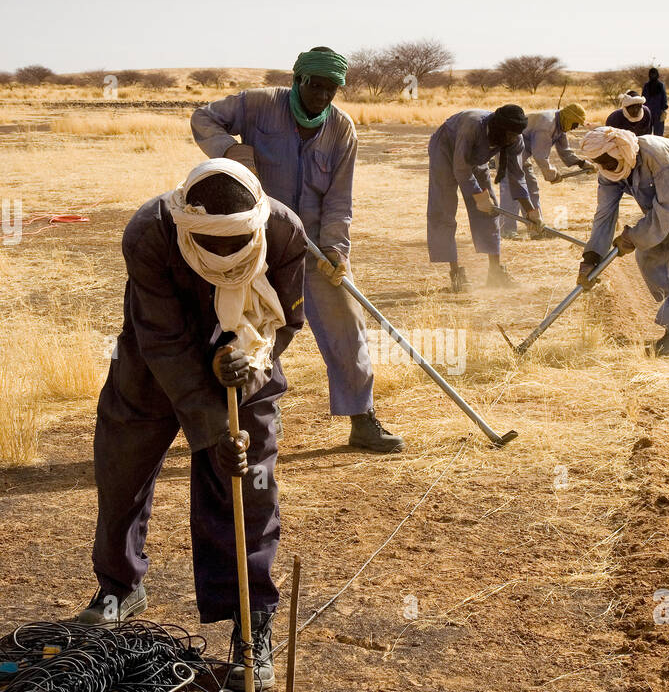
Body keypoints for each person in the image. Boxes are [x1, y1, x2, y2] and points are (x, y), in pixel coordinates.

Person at [76, 161, 307, 692]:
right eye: (209, 244)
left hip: (249, 359)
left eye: (235, 246)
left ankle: (251, 628)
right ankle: (119, 586)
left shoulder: (285, 232)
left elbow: (286, 323)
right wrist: (211, 431)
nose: (223, 257)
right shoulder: (148, 232)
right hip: (152, 366)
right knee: (120, 473)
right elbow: (161, 340)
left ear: (257, 223)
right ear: (184, 223)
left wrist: (247, 372)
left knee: (248, 491)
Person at [191, 47, 402, 453]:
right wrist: (228, 150)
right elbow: (203, 116)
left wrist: (337, 250)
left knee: (346, 324)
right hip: (257, 240)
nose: (322, 96)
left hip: (316, 246)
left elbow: (340, 197)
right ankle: (259, 413)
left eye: (331, 89)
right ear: (298, 79)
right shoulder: (257, 104)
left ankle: (362, 418)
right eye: (315, 85)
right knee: (255, 323)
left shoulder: (342, 129)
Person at [576, 126, 669, 356]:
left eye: (608, 162)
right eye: (599, 163)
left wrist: (632, 236)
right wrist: (591, 258)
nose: (605, 167)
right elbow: (604, 214)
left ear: (619, 151)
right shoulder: (609, 170)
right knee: (647, 253)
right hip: (664, 201)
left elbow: (668, 207)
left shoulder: (655, 155)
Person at [427, 104, 536, 290]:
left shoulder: (515, 138)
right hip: (445, 147)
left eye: (514, 135)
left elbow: (517, 174)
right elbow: (461, 168)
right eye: (508, 134)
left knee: (490, 210)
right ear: (498, 128)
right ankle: (456, 275)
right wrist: (478, 196)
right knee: (444, 209)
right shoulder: (473, 124)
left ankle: (495, 273)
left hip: (476, 157)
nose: (511, 139)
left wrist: (531, 211)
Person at [499, 103, 590, 239]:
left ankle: (536, 230)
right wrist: (552, 175)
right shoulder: (547, 125)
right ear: (569, 118)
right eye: (575, 124)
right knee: (512, 192)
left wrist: (582, 163)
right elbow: (540, 155)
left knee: (532, 190)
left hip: (522, 156)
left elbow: (565, 151)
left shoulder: (561, 125)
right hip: (508, 154)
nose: (575, 128)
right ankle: (507, 231)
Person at [642, 68, 668, 135]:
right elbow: (664, 99)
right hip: (652, 111)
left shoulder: (648, 85)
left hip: (654, 111)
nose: (653, 75)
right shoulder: (659, 85)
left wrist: (663, 109)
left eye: (654, 74)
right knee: (653, 132)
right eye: (652, 74)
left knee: (653, 133)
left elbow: (643, 99)